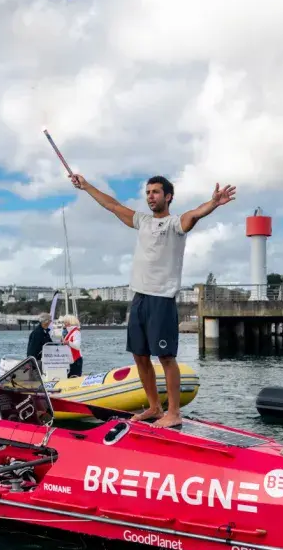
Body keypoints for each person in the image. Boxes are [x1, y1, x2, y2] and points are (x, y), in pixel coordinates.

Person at [72, 172, 236, 428]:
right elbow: (112, 206)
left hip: (162, 300)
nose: (150, 196)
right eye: (148, 192)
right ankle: (154, 407)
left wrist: (213, 203)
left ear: (168, 196)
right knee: (140, 355)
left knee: (166, 358)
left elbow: (193, 215)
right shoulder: (143, 221)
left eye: (155, 192)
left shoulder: (174, 225)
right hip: (139, 298)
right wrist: (86, 186)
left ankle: (173, 413)